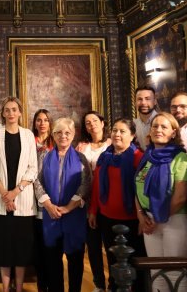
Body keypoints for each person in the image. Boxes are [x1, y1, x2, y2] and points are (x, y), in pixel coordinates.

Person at [135, 112, 187, 292]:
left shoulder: (181, 158)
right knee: (156, 274)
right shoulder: (147, 156)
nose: (158, 129)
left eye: (164, 126)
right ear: (150, 131)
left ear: (173, 133)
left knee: (175, 275)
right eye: (155, 126)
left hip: (174, 220)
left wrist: (157, 219)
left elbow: (181, 196)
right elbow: (137, 189)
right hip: (150, 220)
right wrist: (141, 216)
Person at [0, 96, 37, 292]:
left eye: (14, 109)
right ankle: (6, 288)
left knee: (22, 249)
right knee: (3, 248)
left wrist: (15, 192)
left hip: (22, 200)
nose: (10, 113)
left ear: (20, 112)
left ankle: (20, 287)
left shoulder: (28, 135)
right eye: (7, 110)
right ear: (2, 113)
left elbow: (33, 168)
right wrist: (5, 194)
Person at [89, 118, 146, 292]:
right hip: (107, 219)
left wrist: (142, 217)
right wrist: (93, 211)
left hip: (132, 220)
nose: (117, 134)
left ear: (132, 135)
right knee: (113, 262)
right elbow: (97, 185)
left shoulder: (139, 157)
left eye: (122, 131)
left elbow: (143, 192)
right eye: (114, 130)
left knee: (134, 264)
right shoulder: (105, 156)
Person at [36, 117, 91, 292]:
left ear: (73, 134)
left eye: (67, 133)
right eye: (59, 132)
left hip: (74, 216)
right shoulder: (45, 156)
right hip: (51, 216)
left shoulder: (81, 158)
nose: (63, 136)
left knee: (75, 260)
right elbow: (37, 181)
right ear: (53, 135)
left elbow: (86, 183)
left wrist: (68, 207)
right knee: (52, 261)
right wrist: (49, 205)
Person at [75, 110, 111, 292]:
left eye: (95, 120)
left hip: (108, 199)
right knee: (94, 245)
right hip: (88, 200)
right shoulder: (82, 147)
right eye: (88, 122)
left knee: (111, 245)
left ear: (103, 123)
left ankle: (115, 283)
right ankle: (99, 283)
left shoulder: (112, 144)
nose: (92, 124)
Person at [31, 108, 54, 292]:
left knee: (51, 248)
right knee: (38, 247)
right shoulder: (30, 140)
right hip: (32, 197)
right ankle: (41, 284)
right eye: (39, 120)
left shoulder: (56, 141)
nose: (42, 123)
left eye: (45, 120)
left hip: (53, 199)